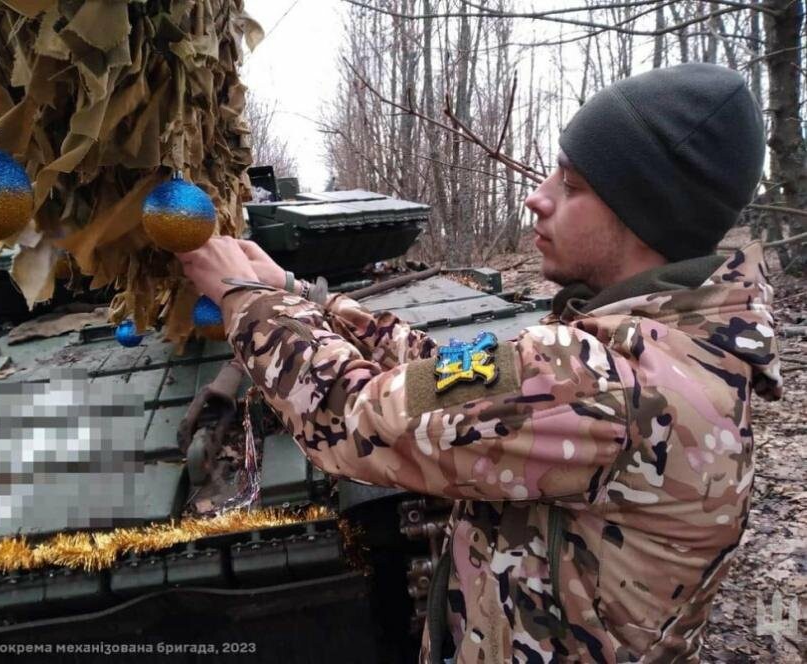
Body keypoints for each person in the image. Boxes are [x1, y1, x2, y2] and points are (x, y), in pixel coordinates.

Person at [176, 62, 781, 663]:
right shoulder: (680, 342)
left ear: (644, 211)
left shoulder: (595, 378)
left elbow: (357, 420)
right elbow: (450, 378)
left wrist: (246, 303)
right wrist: (307, 298)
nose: (537, 196)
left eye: (572, 186)